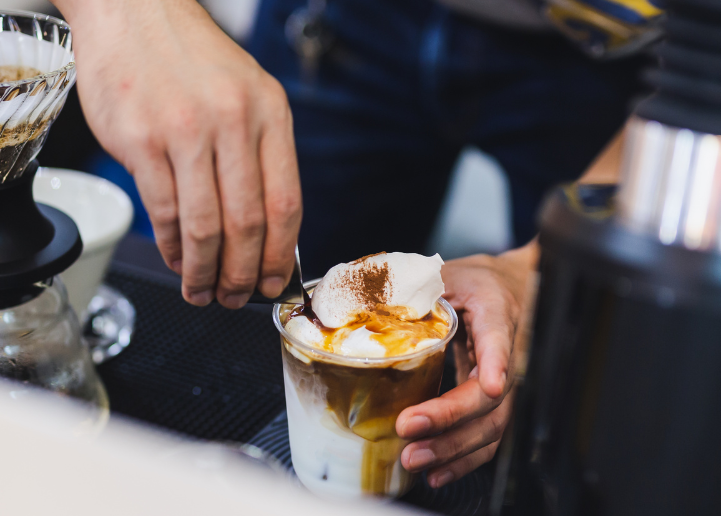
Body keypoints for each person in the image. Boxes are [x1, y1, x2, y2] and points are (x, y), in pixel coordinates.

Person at [47, 0, 653, 489]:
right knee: (233, 308)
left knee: (560, 386)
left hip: (624, 49)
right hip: (340, 19)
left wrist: (536, 271)